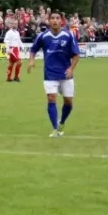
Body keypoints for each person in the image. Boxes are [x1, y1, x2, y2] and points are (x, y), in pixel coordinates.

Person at [28, 10, 80, 138]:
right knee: (51, 98)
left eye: (57, 18)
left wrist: (71, 69)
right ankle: (55, 129)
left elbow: (76, 54)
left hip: (65, 74)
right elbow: (33, 49)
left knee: (68, 102)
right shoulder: (43, 36)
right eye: (53, 18)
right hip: (50, 74)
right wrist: (31, 61)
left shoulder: (68, 35)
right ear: (49, 21)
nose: (55, 20)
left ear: (61, 21)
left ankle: (61, 122)